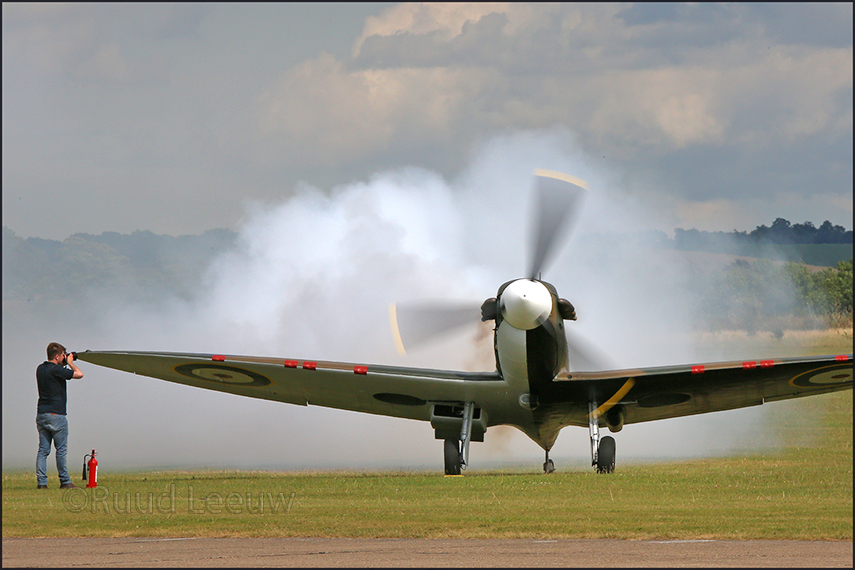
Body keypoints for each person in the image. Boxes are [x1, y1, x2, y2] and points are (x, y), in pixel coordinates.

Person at [36, 342, 83, 489]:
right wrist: (70, 363)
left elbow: (55, 370)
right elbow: (79, 374)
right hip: (56, 415)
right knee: (61, 450)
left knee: (43, 450)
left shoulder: (40, 368)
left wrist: (65, 361)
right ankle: (65, 481)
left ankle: (42, 483)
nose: (65, 356)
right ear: (57, 356)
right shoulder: (56, 370)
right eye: (63, 354)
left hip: (42, 414)